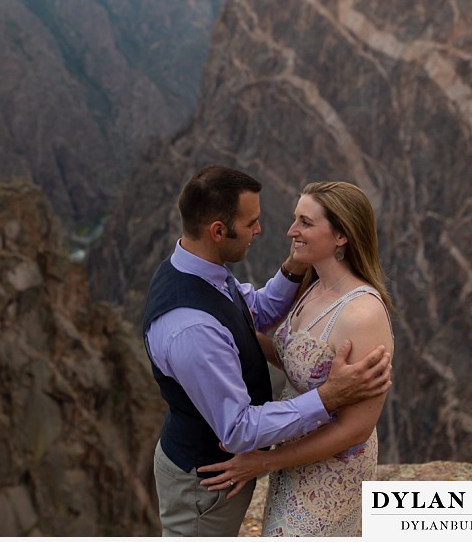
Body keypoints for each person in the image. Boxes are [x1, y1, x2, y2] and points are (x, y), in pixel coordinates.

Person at [143, 166, 392, 537]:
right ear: (218, 231)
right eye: (251, 223)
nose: (268, 230)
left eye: (303, 222)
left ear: (341, 236)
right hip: (204, 481)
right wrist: (327, 397)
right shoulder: (191, 328)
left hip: (309, 471)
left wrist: (292, 269)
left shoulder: (202, 270)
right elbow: (238, 429)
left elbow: (250, 314)